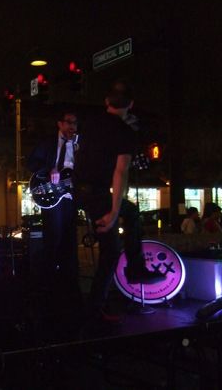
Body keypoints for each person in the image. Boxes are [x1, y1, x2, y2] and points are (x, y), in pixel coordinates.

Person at [72, 83, 136, 323]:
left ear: (106, 102)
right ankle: (94, 309)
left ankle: (136, 267)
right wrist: (114, 211)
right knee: (111, 250)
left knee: (131, 213)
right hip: (97, 193)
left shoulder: (91, 122)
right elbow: (121, 172)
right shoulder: (125, 131)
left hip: (80, 189)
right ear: (131, 104)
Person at [27, 108, 81, 315]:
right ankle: (48, 284)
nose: (72, 126)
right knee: (54, 237)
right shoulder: (48, 142)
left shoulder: (80, 144)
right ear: (59, 123)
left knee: (70, 239)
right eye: (68, 122)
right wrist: (48, 170)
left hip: (72, 196)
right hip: (52, 194)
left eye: (75, 123)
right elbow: (31, 162)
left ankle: (69, 285)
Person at [112, 81, 166, 285]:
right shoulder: (120, 130)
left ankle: (132, 269)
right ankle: (135, 269)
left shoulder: (105, 127)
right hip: (100, 191)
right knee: (131, 215)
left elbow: (126, 166)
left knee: (113, 244)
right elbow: (120, 169)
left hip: (99, 190)